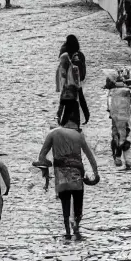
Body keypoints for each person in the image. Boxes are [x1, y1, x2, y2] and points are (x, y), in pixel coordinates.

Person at [36, 101, 99, 241]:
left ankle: (67, 231)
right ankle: (76, 224)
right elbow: (90, 157)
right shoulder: (78, 136)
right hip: (77, 175)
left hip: (61, 176)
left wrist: (49, 164)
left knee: (64, 203)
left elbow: (41, 157)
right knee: (78, 202)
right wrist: (96, 175)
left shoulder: (53, 133)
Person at [56, 34, 89, 124]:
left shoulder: (64, 55)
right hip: (76, 85)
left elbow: (61, 72)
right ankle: (84, 117)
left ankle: (61, 120)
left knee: (64, 102)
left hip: (66, 85)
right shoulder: (80, 55)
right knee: (78, 101)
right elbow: (82, 74)